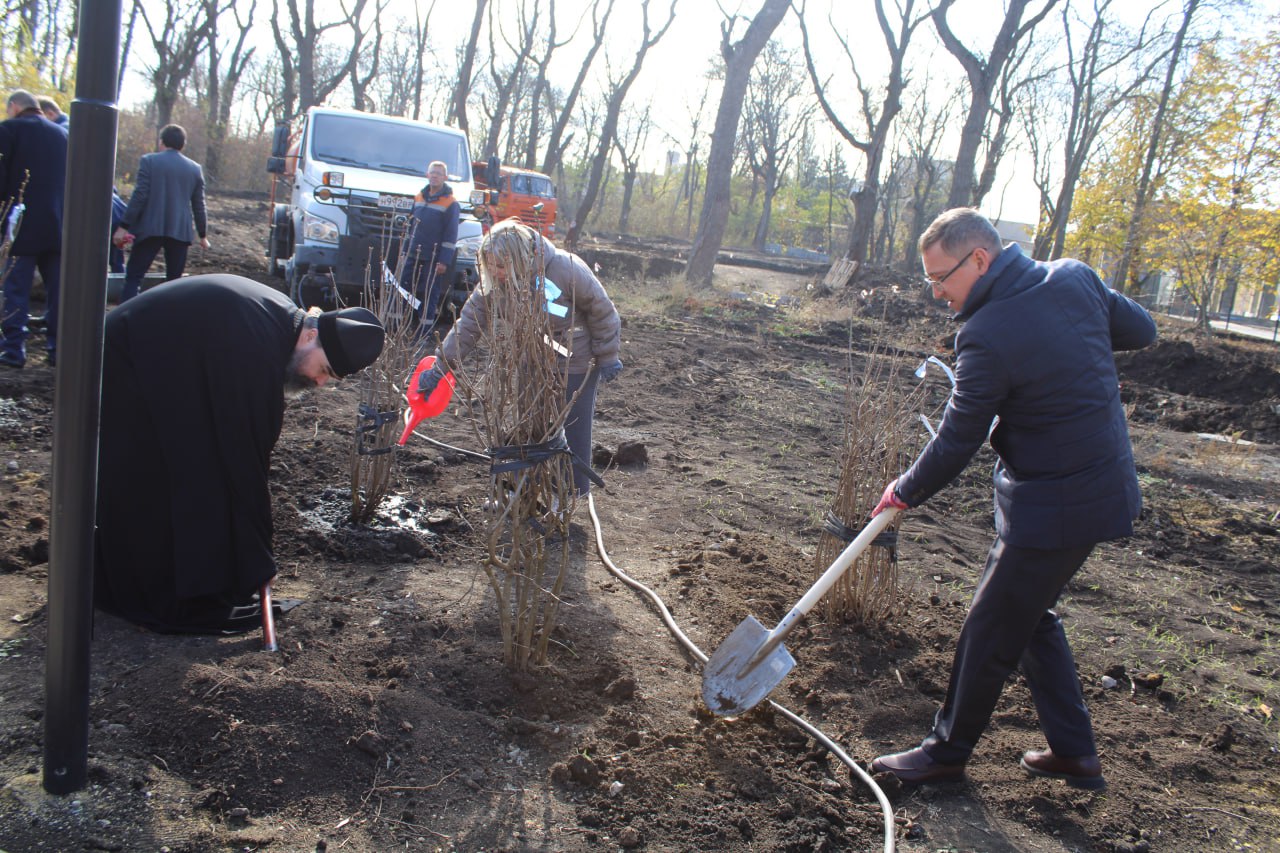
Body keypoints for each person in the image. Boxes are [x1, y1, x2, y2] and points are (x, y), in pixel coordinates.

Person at [865, 208, 1157, 791]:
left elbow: (958, 438)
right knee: (1029, 617)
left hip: (1058, 504)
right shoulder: (1074, 277)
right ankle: (1076, 753)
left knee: (992, 625)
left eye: (940, 278)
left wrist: (904, 489)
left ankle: (945, 753)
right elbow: (1141, 330)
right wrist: (1072, 353)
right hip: (1098, 488)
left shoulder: (986, 332)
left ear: (980, 259)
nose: (937, 294)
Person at [93, 274, 385, 634]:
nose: (319, 383)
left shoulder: (274, 324)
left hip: (160, 362)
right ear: (310, 336)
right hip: (124, 360)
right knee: (152, 470)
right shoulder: (257, 347)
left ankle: (182, 581)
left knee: (196, 465)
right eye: (323, 370)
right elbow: (245, 461)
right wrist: (257, 557)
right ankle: (142, 587)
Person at [416, 219, 622, 496]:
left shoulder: (565, 268)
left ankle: (572, 493)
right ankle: (530, 489)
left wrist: (608, 356)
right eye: (490, 265)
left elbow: (602, 310)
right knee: (530, 424)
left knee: (573, 426)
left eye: (502, 265)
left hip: (576, 358)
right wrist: (441, 367)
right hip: (531, 358)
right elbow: (468, 324)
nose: (496, 272)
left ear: (522, 257)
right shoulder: (494, 282)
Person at [0, 89, 68, 368]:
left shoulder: (9, 130)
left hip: (20, 224)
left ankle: (14, 349)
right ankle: (57, 348)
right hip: (59, 224)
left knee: (16, 288)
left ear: (14, 107)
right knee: (58, 290)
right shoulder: (64, 136)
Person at [113, 123, 210, 302]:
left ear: (161, 142)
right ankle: (169, 323)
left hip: (150, 228)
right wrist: (203, 234)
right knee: (174, 283)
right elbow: (199, 204)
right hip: (180, 231)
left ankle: (126, 318)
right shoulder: (195, 169)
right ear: (183, 144)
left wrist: (124, 226)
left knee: (134, 277)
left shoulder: (149, 161)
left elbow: (140, 196)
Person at [399, 159, 459, 328]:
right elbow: (410, 226)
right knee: (403, 290)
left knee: (429, 293)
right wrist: (404, 251)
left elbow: (451, 234)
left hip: (433, 258)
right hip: (412, 253)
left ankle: (424, 330)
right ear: (427, 174)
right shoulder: (418, 197)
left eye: (438, 173)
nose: (434, 176)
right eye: (432, 172)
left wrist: (443, 261)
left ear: (445, 177)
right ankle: (398, 326)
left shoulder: (451, 203)